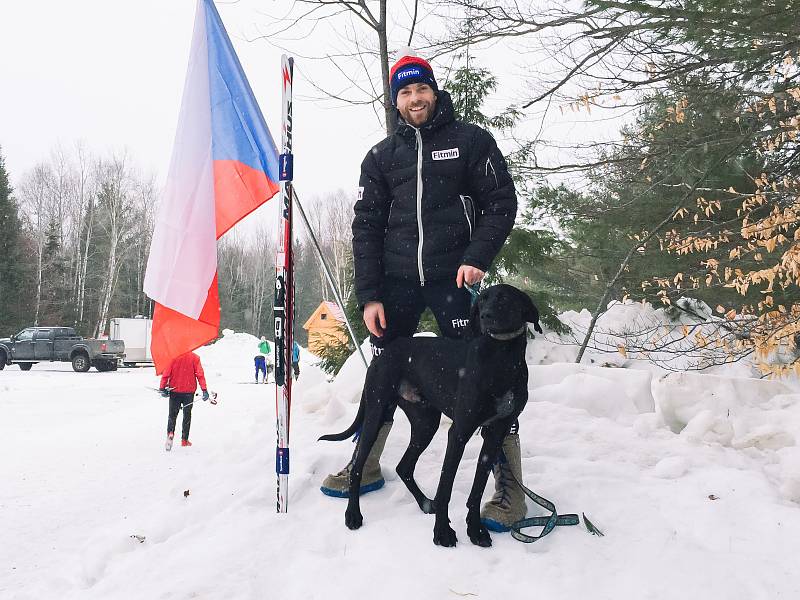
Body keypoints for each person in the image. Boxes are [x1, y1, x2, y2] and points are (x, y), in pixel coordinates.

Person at [320, 52, 524, 532]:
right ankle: (365, 463)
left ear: (435, 92)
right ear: (396, 101)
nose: (415, 99)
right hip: (395, 286)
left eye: (421, 90)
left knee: (487, 374)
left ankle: (508, 486)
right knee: (387, 370)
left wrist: (477, 256)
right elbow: (365, 227)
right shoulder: (381, 157)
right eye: (405, 93)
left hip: (454, 280)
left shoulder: (470, 142)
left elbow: (501, 200)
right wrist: (370, 295)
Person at [159, 351, 209, 450]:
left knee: (172, 415)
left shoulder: (173, 357)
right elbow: (200, 374)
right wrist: (204, 390)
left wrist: (162, 388)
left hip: (175, 391)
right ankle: (184, 440)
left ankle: (170, 434)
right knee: (187, 415)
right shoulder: (195, 358)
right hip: (189, 392)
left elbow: (166, 374)